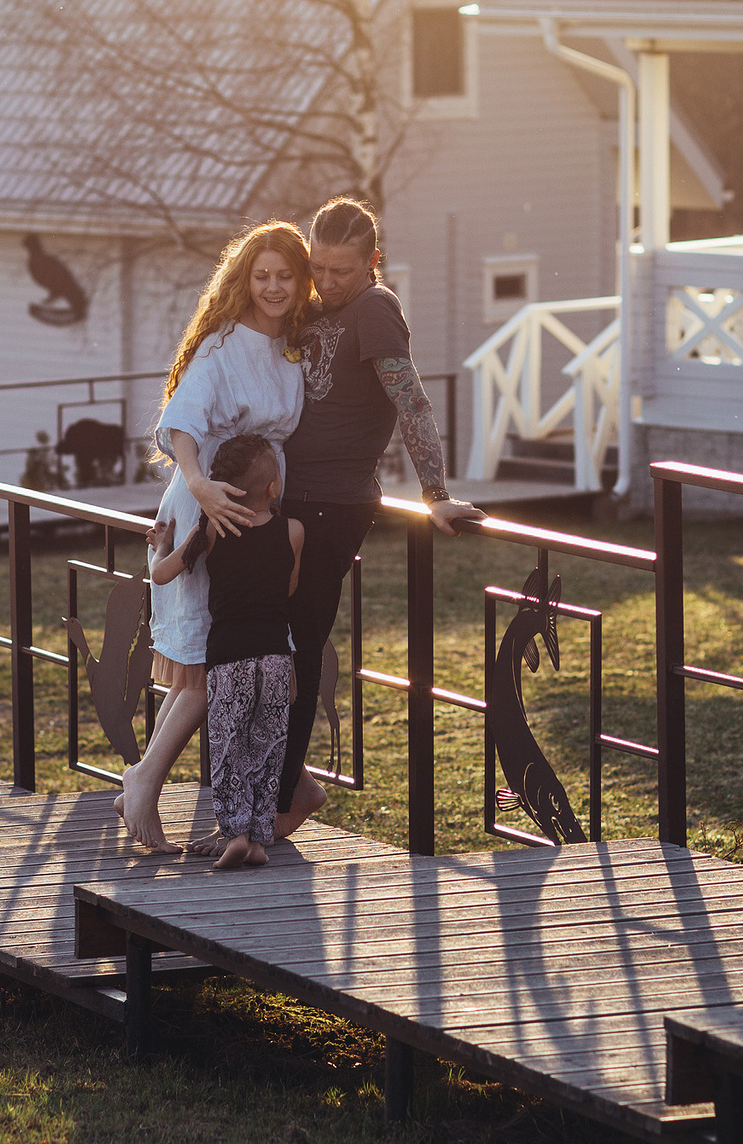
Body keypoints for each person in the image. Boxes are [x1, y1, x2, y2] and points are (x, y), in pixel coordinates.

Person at [273, 197, 484, 835]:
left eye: (341, 270)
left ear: (373, 262)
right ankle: (291, 784)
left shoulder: (375, 308)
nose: (326, 281)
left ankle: (282, 803)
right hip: (284, 496)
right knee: (266, 644)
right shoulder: (314, 305)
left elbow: (411, 402)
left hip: (334, 503)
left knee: (300, 643)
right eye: (318, 267)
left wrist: (435, 493)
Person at [117, 221, 313, 852]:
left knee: (216, 657)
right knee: (211, 657)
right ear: (243, 280)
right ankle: (145, 782)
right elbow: (184, 419)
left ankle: (281, 783)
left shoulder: (294, 341)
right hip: (215, 501)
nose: (274, 287)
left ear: (301, 279)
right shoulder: (223, 342)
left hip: (257, 501)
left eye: (285, 276)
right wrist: (199, 483)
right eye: (262, 276)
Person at [148, 433, 302, 868]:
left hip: (228, 659)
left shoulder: (212, 529)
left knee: (230, 748)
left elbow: (162, 574)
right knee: (269, 748)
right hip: (275, 658)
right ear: (274, 487)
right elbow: (289, 589)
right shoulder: (294, 531)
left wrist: (161, 544)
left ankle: (235, 834)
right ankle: (259, 838)